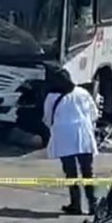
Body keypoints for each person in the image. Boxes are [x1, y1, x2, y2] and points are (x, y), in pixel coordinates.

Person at [42, 65, 99, 215]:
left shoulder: (51, 97)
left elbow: (48, 119)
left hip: (64, 138)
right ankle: (93, 205)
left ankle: (76, 204)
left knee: (71, 173)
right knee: (88, 172)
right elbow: (94, 113)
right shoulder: (82, 92)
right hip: (84, 135)